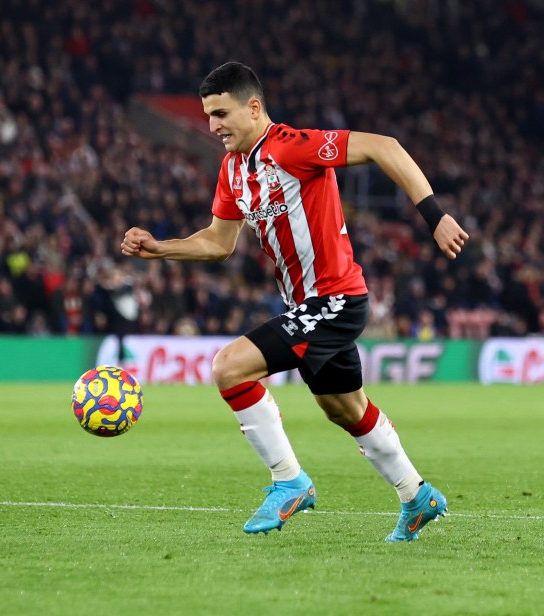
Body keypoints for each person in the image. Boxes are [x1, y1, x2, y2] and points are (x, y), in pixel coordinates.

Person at [121, 62, 469, 542]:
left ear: (254, 107)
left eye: (221, 113)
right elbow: (219, 243)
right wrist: (162, 249)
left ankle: (289, 481)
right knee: (345, 409)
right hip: (306, 308)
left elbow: (384, 147)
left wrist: (434, 215)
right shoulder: (233, 170)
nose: (213, 125)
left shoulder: (291, 146)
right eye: (208, 116)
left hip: (335, 300)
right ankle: (417, 495)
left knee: (228, 368)